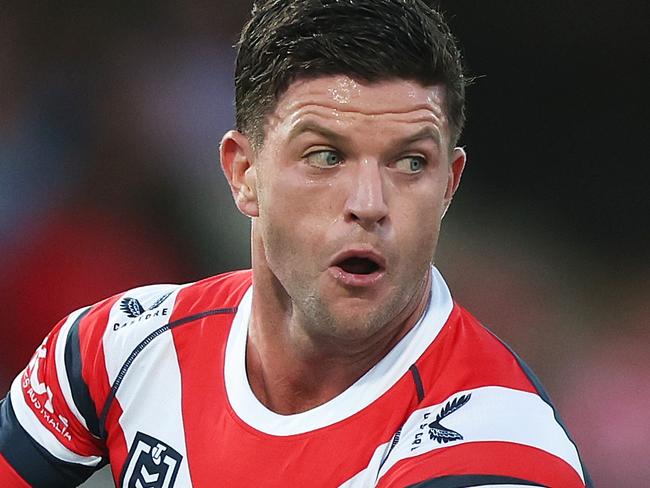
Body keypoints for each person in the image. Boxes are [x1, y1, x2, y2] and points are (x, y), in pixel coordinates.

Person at [0, 1, 592, 486]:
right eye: (326, 156)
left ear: (449, 186)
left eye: (411, 162)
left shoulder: (497, 451)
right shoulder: (120, 347)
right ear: (243, 171)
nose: (370, 202)